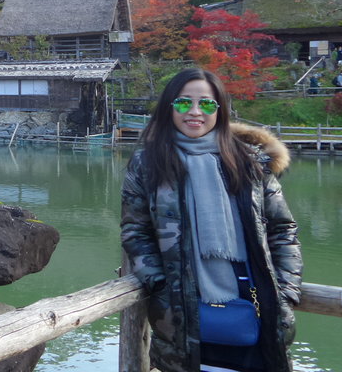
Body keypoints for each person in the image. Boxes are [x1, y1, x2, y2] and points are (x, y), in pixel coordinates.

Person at [121, 67, 302, 372]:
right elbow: (135, 231)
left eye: (206, 103)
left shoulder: (250, 162)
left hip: (257, 310)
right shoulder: (148, 163)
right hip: (182, 321)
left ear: (220, 110)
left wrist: (286, 291)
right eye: (183, 102)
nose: (195, 111)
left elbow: (283, 230)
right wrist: (162, 286)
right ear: (169, 107)